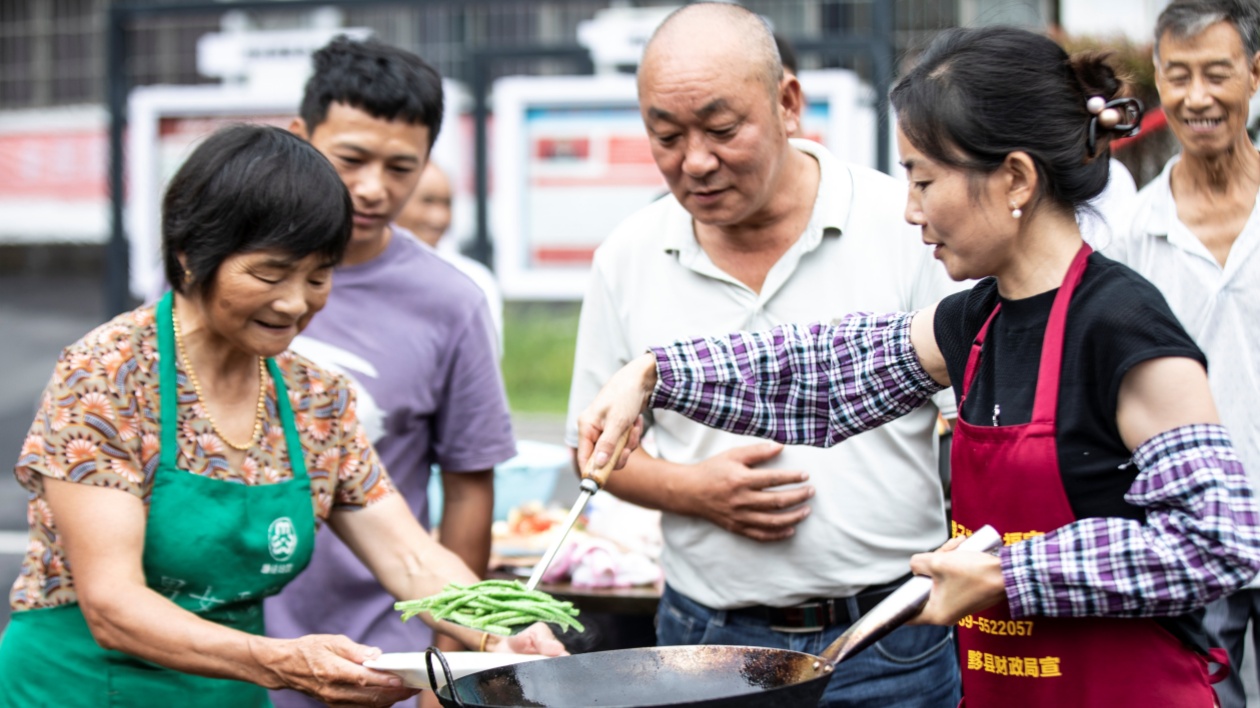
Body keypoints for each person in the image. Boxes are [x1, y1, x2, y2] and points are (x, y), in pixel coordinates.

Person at [577, 25, 1260, 708]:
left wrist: (1009, 573)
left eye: (924, 179)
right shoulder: (975, 321)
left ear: (1015, 178)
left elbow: (1218, 540)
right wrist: (657, 372)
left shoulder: (1121, 325)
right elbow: (824, 376)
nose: (909, 211)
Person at [0, 124, 562, 708]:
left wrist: (501, 633)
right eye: (270, 274)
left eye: (318, 277)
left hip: (228, 691)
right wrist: (279, 661)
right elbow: (112, 606)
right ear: (192, 255)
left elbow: (409, 555)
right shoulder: (107, 375)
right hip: (81, 687)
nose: (296, 303)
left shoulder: (316, 398)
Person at [563, 5, 964, 706]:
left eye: (722, 130)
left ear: (788, 104)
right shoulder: (628, 255)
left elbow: (976, 422)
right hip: (705, 641)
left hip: (890, 636)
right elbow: (595, 448)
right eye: (666, 135)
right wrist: (695, 493)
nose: (695, 161)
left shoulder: (903, 223)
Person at [263, 37, 517, 708]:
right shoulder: (230, 278)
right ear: (300, 137)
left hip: (382, 652)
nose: (374, 187)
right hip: (232, 646)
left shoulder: (450, 301)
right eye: (351, 159)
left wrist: (450, 659)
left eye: (401, 167)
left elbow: (467, 486)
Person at [1104, 2, 1260, 705]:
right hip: (1190, 541)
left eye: (1218, 74)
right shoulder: (1134, 232)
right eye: (1179, 76)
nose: (1198, 98)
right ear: (1159, 83)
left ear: (1254, 76)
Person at [395, 160, 505, 355]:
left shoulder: (473, 278)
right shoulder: (364, 270)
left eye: (447, 203)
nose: (440, 217)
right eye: (427, 201)